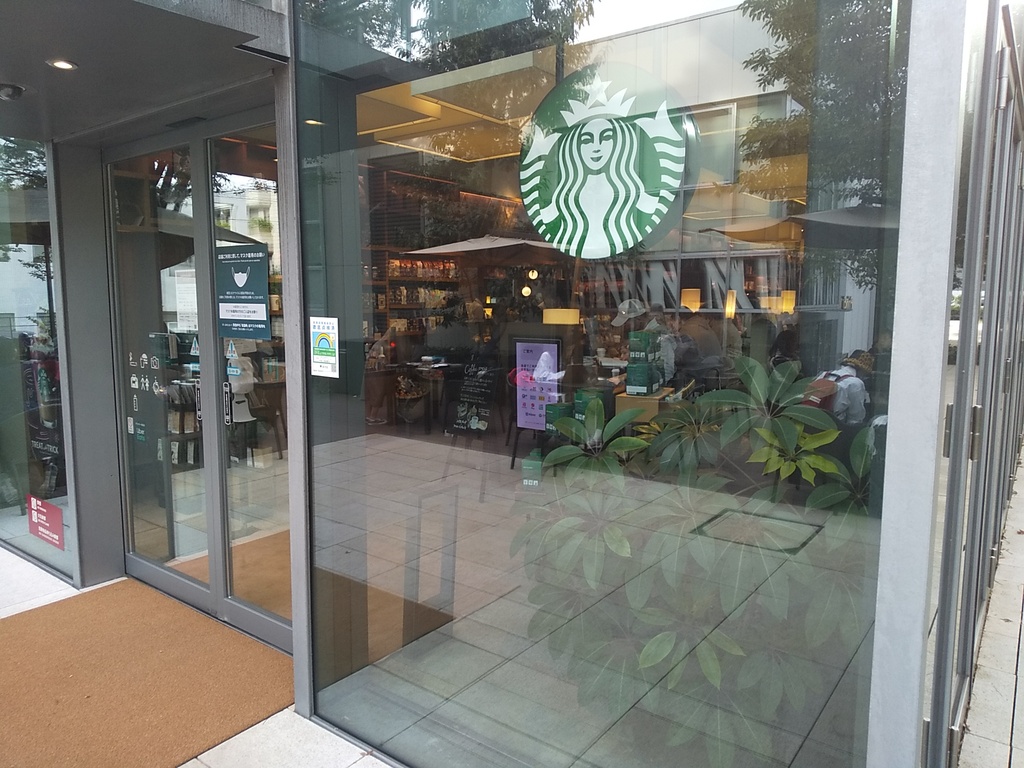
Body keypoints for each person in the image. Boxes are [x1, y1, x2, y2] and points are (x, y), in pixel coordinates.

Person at [816, 350, 874, 425]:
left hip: (812, 418)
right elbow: (856, 417)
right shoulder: (856, 383)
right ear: (862, 370)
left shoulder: (824, 375)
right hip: (832, 424)